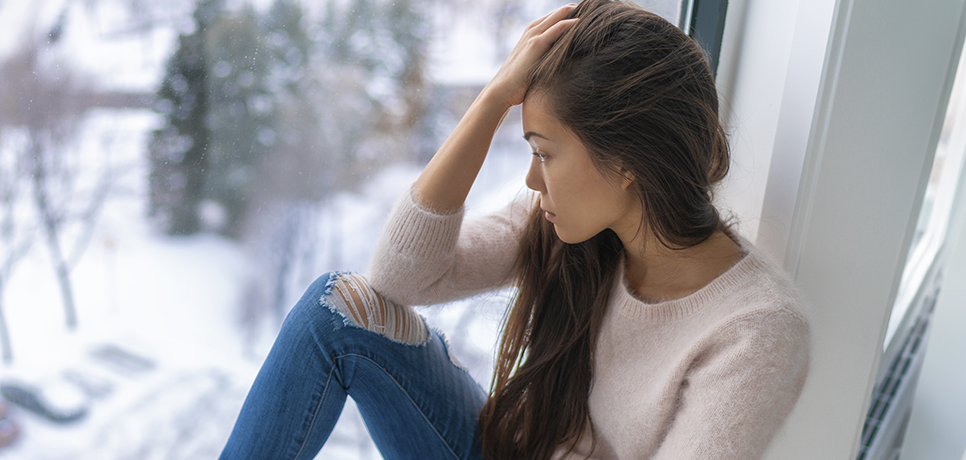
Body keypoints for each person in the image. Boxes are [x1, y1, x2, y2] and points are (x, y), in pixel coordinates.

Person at [217, 1, 810, 459]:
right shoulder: (571, 227)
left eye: (545, 153)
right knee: (336, 310)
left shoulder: (756, 331)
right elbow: (399, 279)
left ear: (627, 161)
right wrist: (493, 99)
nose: (531, 180)